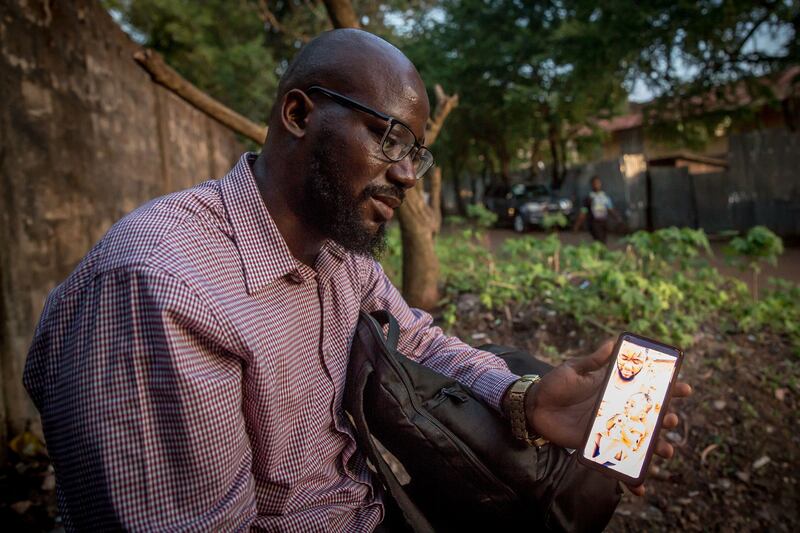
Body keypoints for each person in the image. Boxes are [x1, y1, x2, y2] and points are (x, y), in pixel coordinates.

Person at [23, 29, 691, 531]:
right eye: (389, 138)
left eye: (417, 153)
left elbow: (420, 341)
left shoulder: (338, 251)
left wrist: (526, 399)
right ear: (299, 114)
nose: (406, 174)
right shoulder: (162, 286)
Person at [573, 176, 621, 243]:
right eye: (595, 183)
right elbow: (583, 212)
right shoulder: (589, 198)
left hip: (604, 222)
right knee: (599, 241)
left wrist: (618, 219)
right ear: (592, 185)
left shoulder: (605, 197)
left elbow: (610, 209)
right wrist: (577, 225)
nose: (597, 185)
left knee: (603, 241)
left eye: (598, 183)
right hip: (594, 223)